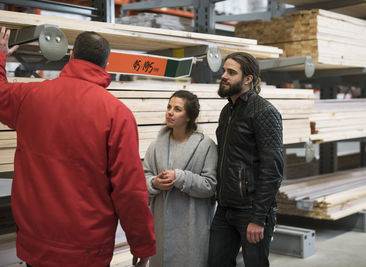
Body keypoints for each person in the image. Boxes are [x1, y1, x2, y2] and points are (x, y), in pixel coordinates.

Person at [0, 27, 155, 267]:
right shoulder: (117, 115)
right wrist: (142, 244)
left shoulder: (30, 97)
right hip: (87, 251)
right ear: (106, 65)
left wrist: (1, 56)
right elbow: (130, 191)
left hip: (36, 244)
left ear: (71, 55)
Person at [208, 52, 284, 267]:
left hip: (251, 210)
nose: (224, 76)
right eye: (224, 70)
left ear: (248, 79)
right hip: (224, 208)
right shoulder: (227, 111)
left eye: (231, 72)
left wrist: (258, 218)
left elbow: (273, 168)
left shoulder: (264, 112)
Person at [143, 90, 218, 267]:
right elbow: (144, 177)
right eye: (169, 107)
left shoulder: (205, 146)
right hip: (160, 226)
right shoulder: (155, 146)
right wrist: (154, 183)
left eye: (177, 109)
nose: (170, 112)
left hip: (191, 227)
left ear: (189, 117)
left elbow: (210, 185)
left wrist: (181, 177)